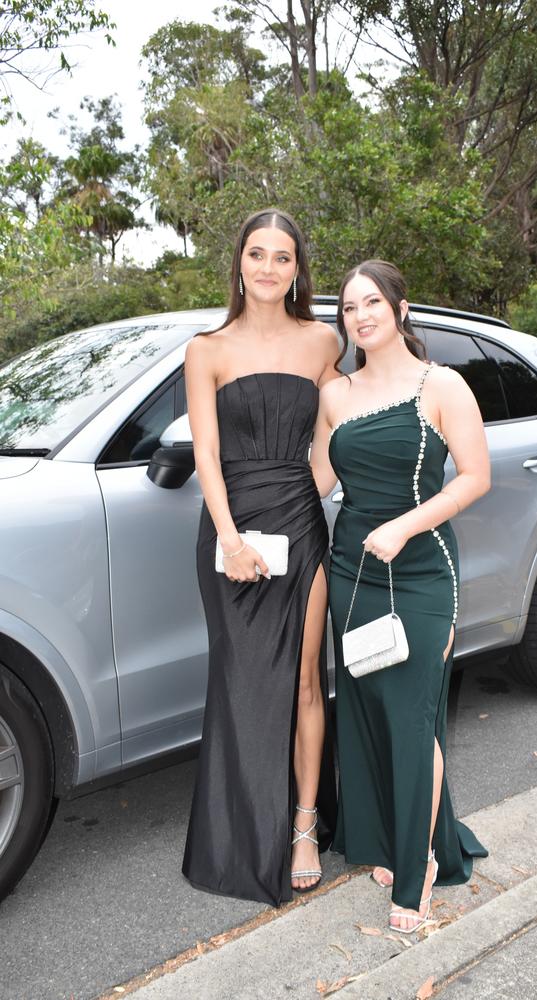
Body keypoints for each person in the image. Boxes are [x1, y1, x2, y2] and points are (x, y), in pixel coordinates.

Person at [310, 260, 490, 933]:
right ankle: (394, 838)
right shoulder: (335, 395)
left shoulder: (440, 385)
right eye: (350, 308)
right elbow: (317, 481)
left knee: (415, 720)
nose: (360, 317)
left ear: (400, 309)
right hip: (354, 571)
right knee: (368, 711)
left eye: (372, 304)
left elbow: (474, 477)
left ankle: (416, 876)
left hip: (420, 571)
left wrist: (406, 525)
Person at [182, 208, 339, 906]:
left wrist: (313, 489)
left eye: (282, 256)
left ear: (298, 269)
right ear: (238, 264)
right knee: (242, 684)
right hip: (230, 533)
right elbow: (206, 455)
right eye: (256, 254)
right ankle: (241, 830)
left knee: (305, 680)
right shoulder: (206, 349)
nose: (269, 268)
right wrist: (229, 537)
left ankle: (303, 826)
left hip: (300, 528)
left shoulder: (322, 341)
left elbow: (338, 428)